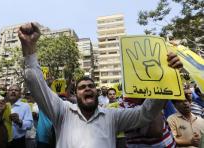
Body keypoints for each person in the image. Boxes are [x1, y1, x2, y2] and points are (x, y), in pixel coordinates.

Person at [18, 22, 183, 148]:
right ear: (76, 95)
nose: (87, 88)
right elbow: (35, 83)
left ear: (97, 92)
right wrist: (29, 48)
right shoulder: (62, 111)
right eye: (82, 87)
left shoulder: (112, 116)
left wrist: (167, 76)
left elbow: (146, 114)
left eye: (91, 86)